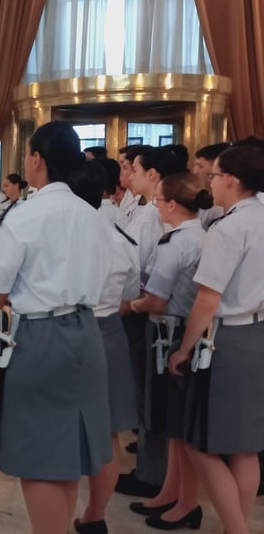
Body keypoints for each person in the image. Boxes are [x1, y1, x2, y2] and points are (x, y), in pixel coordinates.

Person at [0, 121, 113, 534]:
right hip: (87, 333)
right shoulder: (92, 215)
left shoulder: (26, 214)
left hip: (38, 335)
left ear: (37, 159)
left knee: (39, 453)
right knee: (67, 448)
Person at [168, 145, 264, 534]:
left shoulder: (229, 227)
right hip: (258, 331)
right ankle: (234, 527)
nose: (210, 182)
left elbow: (207, 299)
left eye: (214, 174)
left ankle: (237, 529)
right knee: (244, 445)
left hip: (229, 339)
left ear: (232, 180)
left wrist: (184, 348)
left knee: (200, 443)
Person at [128, 172, 212, 530]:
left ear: (172, 205)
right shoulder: (201, 236)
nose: (156, 205)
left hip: (171, 333)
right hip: (185, 329)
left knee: (171, 421)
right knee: (174, 426)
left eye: (159, 200)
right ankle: (170, 491)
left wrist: (128, 307)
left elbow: (157, 300)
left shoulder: (176, 243)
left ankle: (186, 502)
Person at [67, 161, 140, 533]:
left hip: (67, 329)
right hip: (111, 329)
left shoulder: (67, 234)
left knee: (60, 427)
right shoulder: (122, 238)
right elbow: (131, 292)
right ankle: (95, 516)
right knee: (108, 432)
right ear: (111, 191)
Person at [117, 144, 189, 497]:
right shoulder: (145, 210)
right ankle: (152, 466)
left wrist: (128, 305)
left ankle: (151, 473)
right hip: (145, 306)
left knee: (152, 399)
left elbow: (139, 265)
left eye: (135, 169)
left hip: (149, 310)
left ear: (153, 175)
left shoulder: (153, 219)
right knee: (148, 396)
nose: (128, 175)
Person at [193, 142, 230, 228]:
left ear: (215, 167)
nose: (195, 171)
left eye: (200, 166)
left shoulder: (222, 204)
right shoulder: (204, 198)